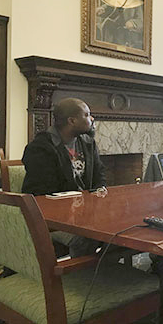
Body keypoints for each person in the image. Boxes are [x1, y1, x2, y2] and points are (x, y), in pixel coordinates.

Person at [22, 98, 106, 257]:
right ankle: (78, 278)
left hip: (82, 215)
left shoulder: (88, 143)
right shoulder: (40, 148)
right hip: (49, 220)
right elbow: (43, 194)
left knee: (114, 229)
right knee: (87, 239)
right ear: (72, 121)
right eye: (87, 115)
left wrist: (98, 195)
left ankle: (103, 273)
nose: (92, 119)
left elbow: (99, 173)